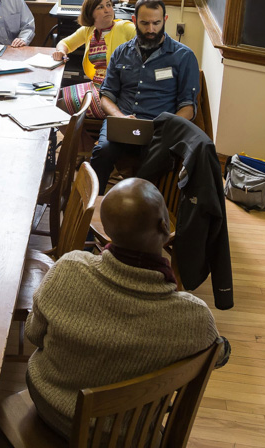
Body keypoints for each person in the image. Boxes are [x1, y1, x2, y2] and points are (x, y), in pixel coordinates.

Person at [24, 177, 229, 437]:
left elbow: (33, 334)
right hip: (123, 435)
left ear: (108, 229)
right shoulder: (193, 318)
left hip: (49, 406)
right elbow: (216, 356)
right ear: (165, 226)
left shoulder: (67, 269)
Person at [91, 0, 200, 193]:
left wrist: (163, 126)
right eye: (145, 23)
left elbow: (188, 108)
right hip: (123, 122)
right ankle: (91, 208)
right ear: (134, 21)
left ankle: (137, 205)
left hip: (160, 130)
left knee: (155, 162)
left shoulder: (184, 57)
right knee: (102, 152)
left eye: (156, 23)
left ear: (165, 20)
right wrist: (120, 117)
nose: (151, 29)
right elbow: (106, 95)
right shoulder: (121, 53)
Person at [52, 0, 136, 119]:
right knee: (55, 97)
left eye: (109, 5)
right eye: (100, 7)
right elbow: (65, 43)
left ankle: (76, 139)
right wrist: (61, 51)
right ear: (90, 13)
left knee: (59, 105)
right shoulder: (89, 30)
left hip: (113, 93)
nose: (107, 10)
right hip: (95, 85)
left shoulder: (124, 27)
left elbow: (150, 42)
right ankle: (79, 139)